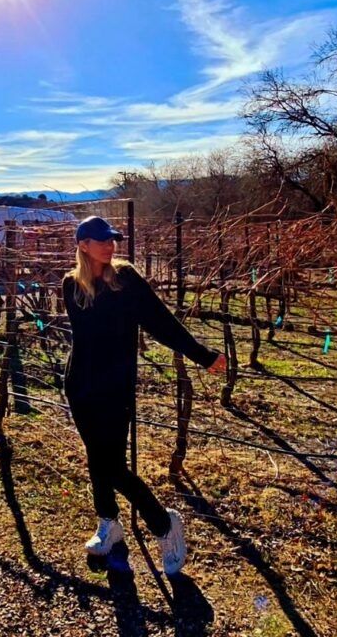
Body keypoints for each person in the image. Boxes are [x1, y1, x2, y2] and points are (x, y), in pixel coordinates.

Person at [62, 215, 226, 576]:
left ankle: (164, 525)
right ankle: (109, 523)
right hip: (80, 386)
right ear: (83, 245)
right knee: (97, 459)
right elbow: (85, 342)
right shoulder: (71, 286)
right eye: (102, 240)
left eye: (113, 240)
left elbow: (161, 322)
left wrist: (203, 355)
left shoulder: (126, 280)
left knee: (113, 466)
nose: (111, 245)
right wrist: (77, 384)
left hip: (115, 388)